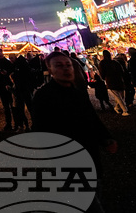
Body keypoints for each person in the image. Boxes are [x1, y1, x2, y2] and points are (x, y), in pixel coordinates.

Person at [33, 51, 116, 209]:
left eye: (68, 65)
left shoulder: (77, 93)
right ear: (50, 70)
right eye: (59, 66)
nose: (65, 69)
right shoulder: (43, 97)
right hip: (67, 161)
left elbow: (92, 118)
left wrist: (106, 138)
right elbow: (40, 130)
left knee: (94, 193)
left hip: (90, 155)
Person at [0, 48, 15, 132]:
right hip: (0, 86)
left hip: (7, 86)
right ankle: (9, 123)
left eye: (0, 55)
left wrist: (6, 73)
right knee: (6, 106)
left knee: (11, 105)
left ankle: (14, 123)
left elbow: (12, 72)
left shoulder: (6, 63)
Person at [97, 50, 128, 116]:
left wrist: (104, 78)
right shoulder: (115, 62)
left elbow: (102, 73)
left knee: (118, 97)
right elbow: (122, 71)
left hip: (111, 80)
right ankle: (124, 110)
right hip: (118, 80)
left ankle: (118, 108)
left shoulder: (102, 63)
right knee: (120, 96)